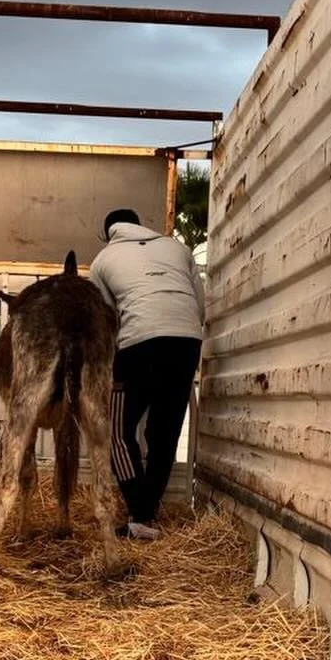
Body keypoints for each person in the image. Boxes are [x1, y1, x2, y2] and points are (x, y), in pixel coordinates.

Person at [88, 207, 204, 540]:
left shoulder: (103, 260)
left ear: (107, 233)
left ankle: (140, 510)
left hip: (139, 344)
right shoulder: (176, 248)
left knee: (117, 434)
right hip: (186, 342)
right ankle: (145, 518)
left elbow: (106, 319)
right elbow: (200, 305)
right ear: (140, 225)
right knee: (164, 433)